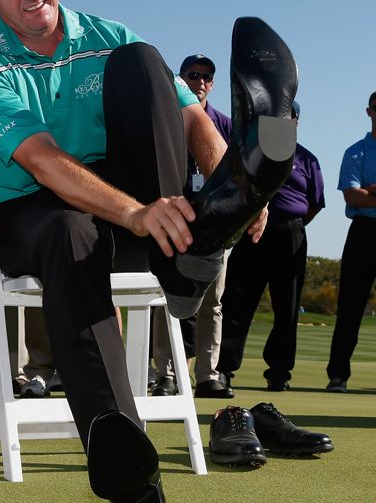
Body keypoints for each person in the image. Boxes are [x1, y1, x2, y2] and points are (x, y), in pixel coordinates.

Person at [0, 0, 293, 502]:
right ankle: (128, 471)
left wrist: (228, 185)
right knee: (69, 232)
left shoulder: (107, 34)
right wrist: (137, 215)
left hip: (138, 208)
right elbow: (44, 160)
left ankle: (193, 243)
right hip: (40, 212)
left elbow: (189, 116)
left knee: (140, 59)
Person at [218, 101, 325, 392]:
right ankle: (224, 368)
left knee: (287, 307)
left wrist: (290, 224)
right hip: (252, 231)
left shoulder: (307, 159)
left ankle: (279, 372)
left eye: (286, 116)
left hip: (290, 234)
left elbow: (314, 204)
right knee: (237, 302)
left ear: (296, 121)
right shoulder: (249, 153)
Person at [151, 54, 234, 399]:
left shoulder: (225, 125)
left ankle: (207, 374)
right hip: (174, 216)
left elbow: (237, 172)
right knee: (164, 295)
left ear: (213, 84)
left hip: (215, 222)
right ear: (181, 80)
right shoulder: (168, 120)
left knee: (213, 300)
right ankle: (165, 374)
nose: (200, 81)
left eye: (206, 76)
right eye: (193, 75)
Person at [325, 91, 376, 393]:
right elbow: (352, 195)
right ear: (369, 111)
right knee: (350, 307)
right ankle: (338, 375)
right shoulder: (356, 152)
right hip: (363, 233)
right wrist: (365, 195)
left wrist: (372, 190)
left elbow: (364, 193)